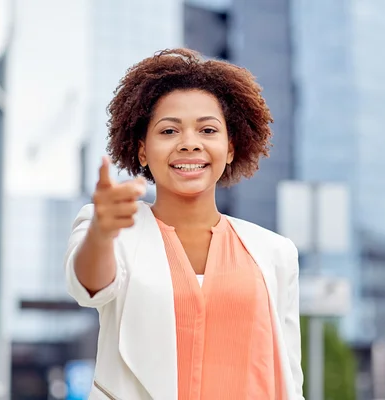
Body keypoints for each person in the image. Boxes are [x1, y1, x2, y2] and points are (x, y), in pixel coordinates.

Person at [64, 48, 304, 400]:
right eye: (169, 131)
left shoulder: (275, 252)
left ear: (231, 147)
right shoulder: (113, 228)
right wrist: (102, 232)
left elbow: (290, 376)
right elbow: (89, 285)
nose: (189, 144)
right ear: (142, 150)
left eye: (207, 129)